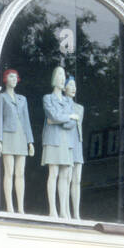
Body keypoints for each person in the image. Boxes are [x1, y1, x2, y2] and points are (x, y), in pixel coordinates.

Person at [41, 65, 79, 219]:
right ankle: (53, 210)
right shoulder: (47, 98)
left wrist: (60, 119)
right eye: (60, 75)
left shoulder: (68, 101)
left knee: (65, 175)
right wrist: (68, 117)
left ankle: (63, 210)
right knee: (53, 173)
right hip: (53, 139)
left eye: (64, 76)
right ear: (54, 78)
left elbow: (71, 123)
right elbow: (53, 115)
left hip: (66, 141)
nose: (63, 79)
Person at [0, 69, 34, 214]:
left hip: (21, 136)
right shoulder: (1, 97)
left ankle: (20, 207)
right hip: (8, 135)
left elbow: (27, 121)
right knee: (9, 172)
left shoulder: (22, 99)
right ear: (6, 79)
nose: (14, 79)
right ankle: (10, 207)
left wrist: (30, 142)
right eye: (11, 76)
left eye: (15, 77)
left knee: (20, 172)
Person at [64, 75, 83, 221]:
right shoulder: (62, 104)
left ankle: (76, 212)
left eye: (74, 85)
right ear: (64, 88)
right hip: (67, 142)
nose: (73, 88)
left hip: (77, 143)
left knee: (77, 179)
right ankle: (66, 212)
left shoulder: (80, 108)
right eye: (70, 85)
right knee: (67, 177)